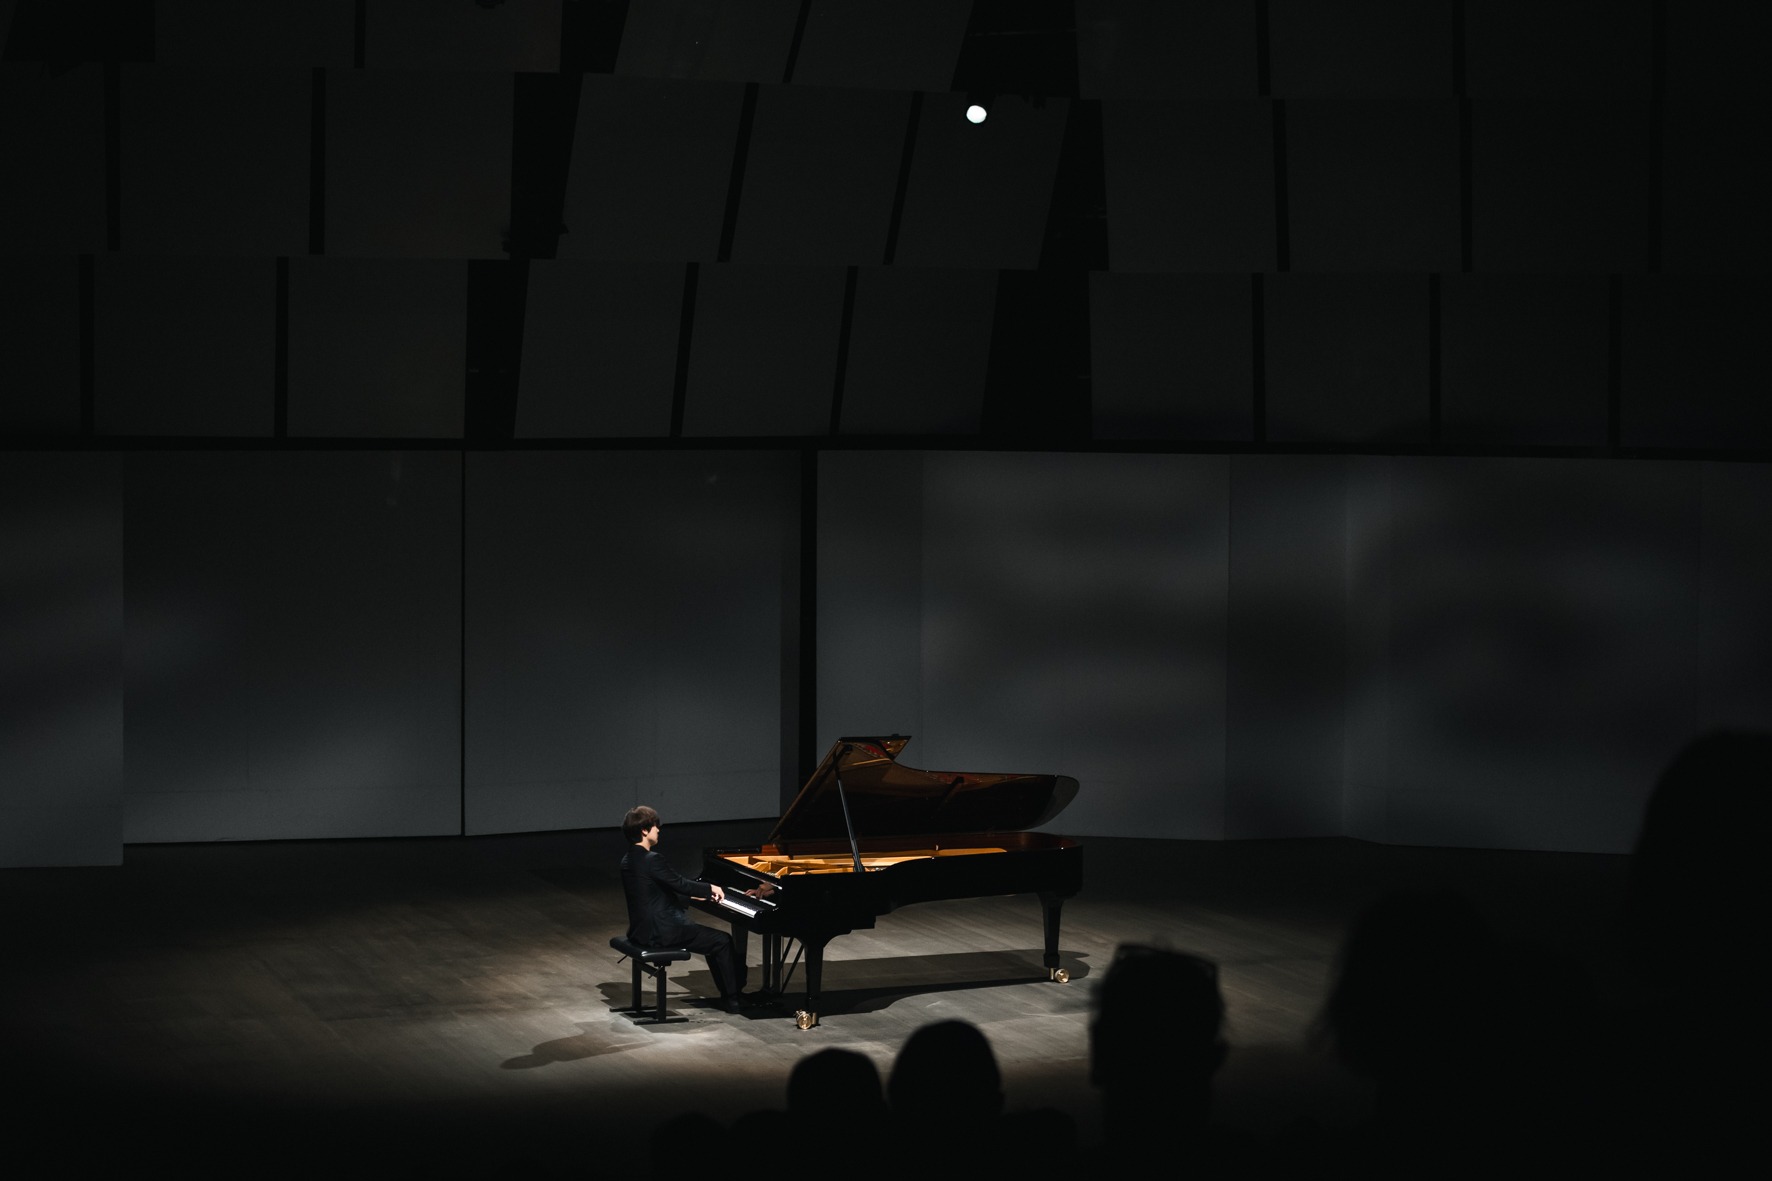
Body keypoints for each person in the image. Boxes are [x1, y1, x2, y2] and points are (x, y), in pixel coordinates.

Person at [619, 805, 751, 1011]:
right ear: (644, 830)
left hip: (641, 931)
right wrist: (710, 888)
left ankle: (730, 993)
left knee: (713, 941)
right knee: (722, 941)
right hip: (663, 932)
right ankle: (733, 999)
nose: (659, 830)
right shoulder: (652, 859)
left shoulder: (628, 860)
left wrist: (693, 896)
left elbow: (656, 891)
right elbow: (680, 883)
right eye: (656, 826)